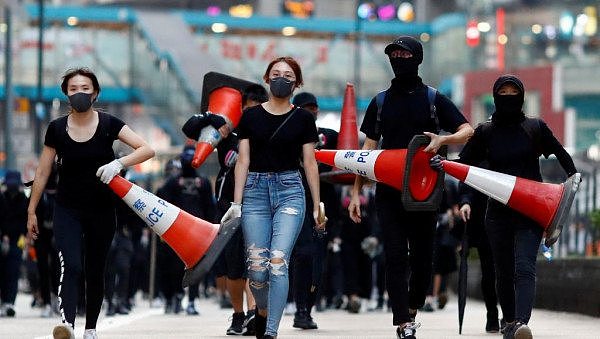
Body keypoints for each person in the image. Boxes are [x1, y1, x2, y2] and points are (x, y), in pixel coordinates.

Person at [431, 74, 577, 339]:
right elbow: (466, 167)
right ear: (495, 96)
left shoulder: (535, 127)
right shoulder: (484, 132)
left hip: (531, 210)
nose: (508, 97)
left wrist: (571, 183)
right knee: (503, 271)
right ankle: (509, 321)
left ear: (521, 96)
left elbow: (561, 153)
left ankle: (521, 323)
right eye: (503, 92)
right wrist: (461, 195)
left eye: (513, 92)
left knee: (524, 267)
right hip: (497, 213)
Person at [348, 36, 473, 339]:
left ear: (417, 58)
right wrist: (355, 191)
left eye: (405, 54)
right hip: (389, 191)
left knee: (422, 258)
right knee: (394, 255)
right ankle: (403, 321)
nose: (399, 58)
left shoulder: (434, 99)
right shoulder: (379, 102)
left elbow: (467, 130)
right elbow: (368, 150)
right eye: (394, 54)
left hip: (426, 192)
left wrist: (443, 140)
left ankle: (414, 303)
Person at [26, 68, 155, 339]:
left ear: (95, 93)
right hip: (67, 208)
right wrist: (32, 210)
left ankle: (91, 328)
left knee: (95, 269)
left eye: (85, 88)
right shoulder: (56, 129)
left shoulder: (109, 124)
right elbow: (42, 172)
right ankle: (67, 325)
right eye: (73, 89)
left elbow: (147, 149)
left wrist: (118, 163)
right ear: (66, 94)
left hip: (102, 209)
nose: (79, 94)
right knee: (71, 265)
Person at [220, 56, 326, 339]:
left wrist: (318, 205)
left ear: (297, 83)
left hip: (291, 191)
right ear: (266, 78)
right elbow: (243, 161)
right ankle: (263, 310)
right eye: (276, 73)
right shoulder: (250, 117)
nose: (282, 79)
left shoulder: (304, 118)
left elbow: (310, 163)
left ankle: (269, 331)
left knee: (278, 262)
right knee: (256, 268)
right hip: (254, 192)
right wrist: (236, 203)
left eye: (289, 75)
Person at [289, 92, 339, 329]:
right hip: (294, 204)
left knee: (318, 261)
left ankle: (307, 308)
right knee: (303, 255)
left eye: (313, 108)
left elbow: (350, 154)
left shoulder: (329, 137)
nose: (311, 112)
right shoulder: (287, 137)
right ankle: (299, 308)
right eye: (305, 108)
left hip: (323, 208)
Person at [457, 179, 500, 333]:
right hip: (484, 225)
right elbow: (467, 180)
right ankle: (492, 314)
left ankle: (511, 316)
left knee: (512, 272)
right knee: (489, 274)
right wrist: (465, 202)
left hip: (508, 221)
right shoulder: (478, 157)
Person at [0, 170, 28, 317]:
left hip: (18, 241)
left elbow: (25, 221)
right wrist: (3, 235)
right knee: (3, 272)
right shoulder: (2, 198)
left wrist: (24, 239)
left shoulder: (24, 200)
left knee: (13, 272)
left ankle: (10, 302)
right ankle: (3, 301)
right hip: (2, 240)